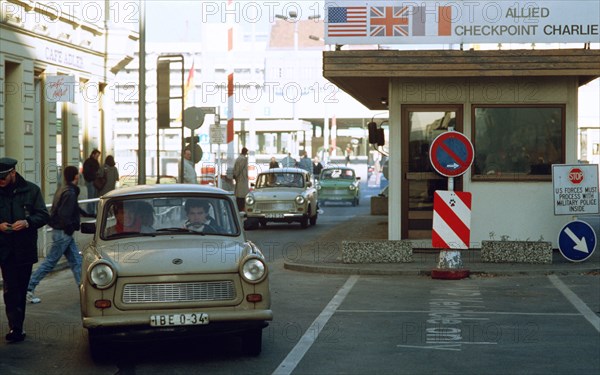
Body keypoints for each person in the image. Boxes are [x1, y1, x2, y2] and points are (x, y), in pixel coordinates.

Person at [0, 157, 50, 342]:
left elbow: (44, 215)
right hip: (5, 250)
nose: (1, 181)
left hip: (25, 250)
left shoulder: (31, 190)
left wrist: (27, 222)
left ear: (13, 172)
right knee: (10, 289)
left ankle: (18, 325)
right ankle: (15, 328)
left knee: (20, 289)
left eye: (4, 177)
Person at [27, 166, 84, 304]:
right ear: (76, 176)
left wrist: (89, 214)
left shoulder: (63, 189)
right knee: (51, 262)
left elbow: (71, 209)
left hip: (62, 232)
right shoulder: (69, 192)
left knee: (77, 261)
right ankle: (28, 287)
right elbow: (65, 214)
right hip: (63, 232)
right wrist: (70, 228)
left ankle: (85, 292)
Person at [82, 149, 101, 214]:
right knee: (91, 196)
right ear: (93, 154)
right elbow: (86, 172)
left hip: (95, 181)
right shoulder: (88, 162)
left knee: (94, 196)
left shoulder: (96, 162)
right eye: (97, 155)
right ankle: (90, 211)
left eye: (98, 156)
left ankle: (93, 211)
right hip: (90, 181)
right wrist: (92, 176)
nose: (97, 157)